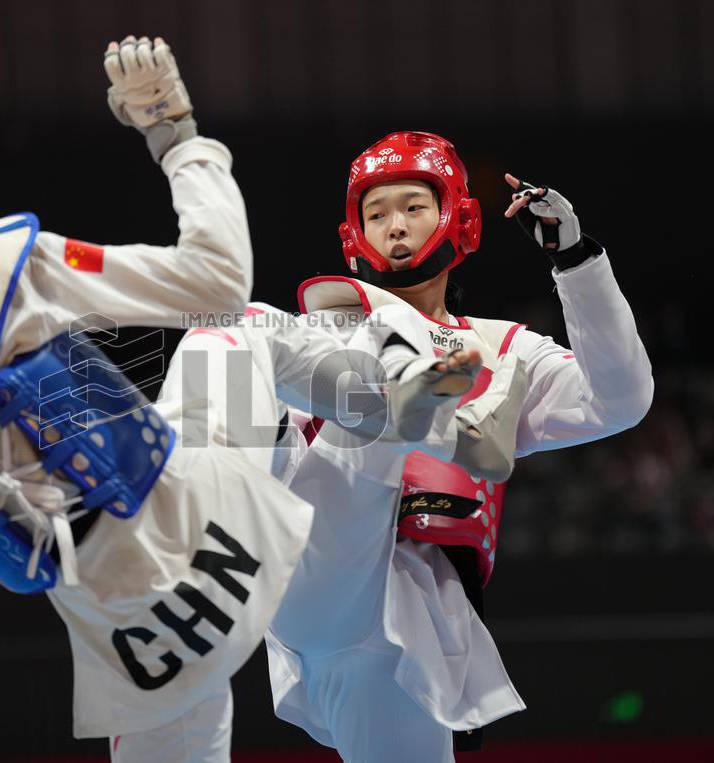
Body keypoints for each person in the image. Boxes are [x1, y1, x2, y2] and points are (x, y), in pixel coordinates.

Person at [0, 39, 488, 762]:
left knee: (238, 326)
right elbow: (214, 280)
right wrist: (176, 136)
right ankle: (386, 403)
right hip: (214, 510)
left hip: (143, 632)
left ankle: (389, 405)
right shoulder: (11, 262)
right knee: (237, 323)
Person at [264, 131, 654, 762]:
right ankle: (416, 412)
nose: (394, 226)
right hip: (316, 573)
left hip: (413, 629)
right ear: (353, 237)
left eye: (413, 207)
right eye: (376, 212)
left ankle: (419, 408)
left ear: (460, 222)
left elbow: (621, 401)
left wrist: (576, 260)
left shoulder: (502, 351)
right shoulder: (319, 328)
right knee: (250, 338)